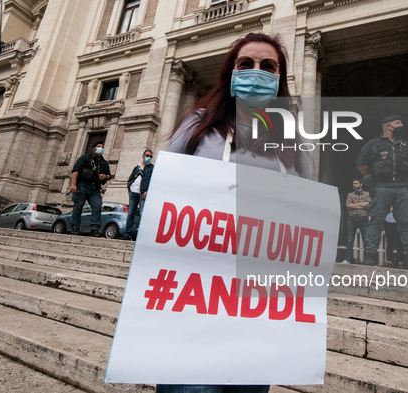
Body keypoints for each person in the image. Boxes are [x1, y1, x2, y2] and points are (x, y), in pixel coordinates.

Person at [161, 33, 311, 393]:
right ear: (230, 73)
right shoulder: (198, 125)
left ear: (280, 79)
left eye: (268, 66)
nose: (256, 72)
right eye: (246, 64)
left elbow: (306, 210)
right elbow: (165, 194)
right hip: (194, 297)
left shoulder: (292, 141)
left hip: (260, 300)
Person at [356, 115, 408, 271]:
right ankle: (369, 255)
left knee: (406, 223)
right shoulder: (373, 144)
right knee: (376, 221)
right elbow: (361, 164)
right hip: (382, 187)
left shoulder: (406, 145)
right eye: (398, 123)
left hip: (403, 187)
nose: (401, 125)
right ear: (388, 126)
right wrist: (378, 175)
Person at [70, 140, 111, 237]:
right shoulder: (85, 158)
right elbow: (76, 171)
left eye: (102, 147)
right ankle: (75, 228)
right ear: (93, 148)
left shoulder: (104, 163)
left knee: (97, 207)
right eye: (99, 146)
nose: (101, 148)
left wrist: (104, 176)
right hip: (83, 185)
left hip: (95, 188)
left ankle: (94, 229)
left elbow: (109, 175)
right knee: (78, 207)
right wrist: (73, 184)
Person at [121, 149, 154, 240]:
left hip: (142, 194)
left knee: (142, 213)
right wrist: (129, 187)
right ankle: (127, 234)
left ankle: (140, 235)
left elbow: (152, 181)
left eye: (150, 156)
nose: (149, 158)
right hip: (133, 193)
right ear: (143, 156)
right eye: (147, 156)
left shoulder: (152, 168)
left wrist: (147, 192)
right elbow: (131, 177)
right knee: (130, 214)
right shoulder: (137, 167)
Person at [342, 178, 370, 264]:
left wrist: (355, 205)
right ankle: (347, 259)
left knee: (366, 240)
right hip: (352, 219)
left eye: (356, 183)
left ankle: (367, 259)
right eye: (353, 183)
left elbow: (368, 204)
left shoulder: (366, 194)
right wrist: (362, 205)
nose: (354, 185)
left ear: (361, 184)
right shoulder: (350, 195)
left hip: (364, 219)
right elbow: (348, 205)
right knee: (350, 240)